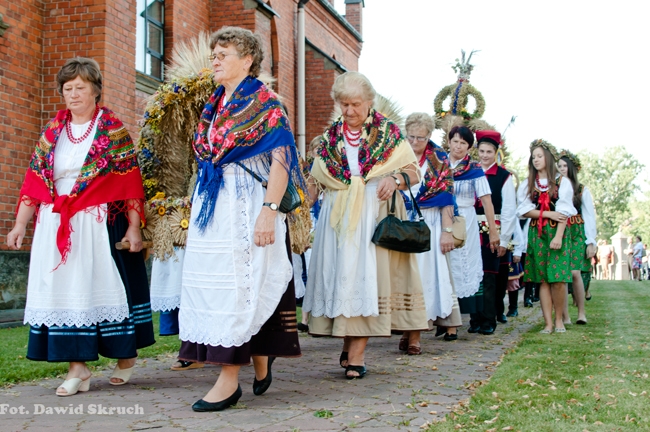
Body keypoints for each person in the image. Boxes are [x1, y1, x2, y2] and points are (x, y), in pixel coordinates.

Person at [6, 57, 155, 396]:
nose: (73, 94)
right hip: (55, 221)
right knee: (64, 293)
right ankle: (78, 368)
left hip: (98, 221)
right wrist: (20, 225)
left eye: (80, 88)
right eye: (67, 88)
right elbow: (34, 180)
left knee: (102, 288)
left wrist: (134, 227)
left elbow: (130, 182)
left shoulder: (112, 129)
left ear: (95, 91)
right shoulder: (52, 132)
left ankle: (124, 356)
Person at [177, 27, 302, 412]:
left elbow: (282, 160)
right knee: (216, 288)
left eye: (223, 54)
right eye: (213, 54)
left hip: (247, 203)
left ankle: (228, 380)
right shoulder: (214, 103)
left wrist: (268, 211)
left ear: (247, 60)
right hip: (214, 205)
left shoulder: (267, 103)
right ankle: (259, 355)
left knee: (239, 286)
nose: (214, 60)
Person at [303, 71, 428, 378]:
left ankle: (357, 355)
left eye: (355, 104)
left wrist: (395, 179)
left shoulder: (388, 133)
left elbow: (413, 172)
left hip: (373, 213)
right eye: (344, 104)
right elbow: (316, 179)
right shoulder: (331, 137)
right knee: (343, 278)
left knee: (366, 280)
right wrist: (301, 204)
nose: (349, 111)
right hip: (337, 217)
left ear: (369, 102)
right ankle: (349, 342)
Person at [398, 113, 457, 351]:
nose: (414, 142)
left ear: (429, 135)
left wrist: (447, 231)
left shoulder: (440, 159)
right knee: (403, 277)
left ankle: (415, 336)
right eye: (410, 136)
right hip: (401, 221)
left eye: (420, 138)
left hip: (429, 223)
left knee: (423, 278)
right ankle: (406, 329)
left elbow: (447, 198)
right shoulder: (397, 153)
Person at [517, 139, 576, 334]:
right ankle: (548, 323)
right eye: (533, 157)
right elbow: (524, 210)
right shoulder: (528, 183)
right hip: (538, 232)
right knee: (542, 279)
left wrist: (558, 237)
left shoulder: (562, 182)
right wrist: (548, 214)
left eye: (540, 156)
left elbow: (564, 212)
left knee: (558, 279)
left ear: (548, 158)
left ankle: (559, 320)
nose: (536, 160)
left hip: (557, 232)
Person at [446, 126, 500, 334]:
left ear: (469, 147)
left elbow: (486, 201)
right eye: (455, 141)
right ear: (449, 142)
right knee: (445, 266)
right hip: (442, 218)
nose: (458, 146)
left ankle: (471, 317)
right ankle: (445, 320)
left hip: (466, 219)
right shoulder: (439, 165)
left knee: (465, 266)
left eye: (463, 143)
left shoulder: (474, 169)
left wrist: (493, 231)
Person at [475, 131, 517, 331]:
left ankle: (488, 320)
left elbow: (509, 209)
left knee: (490, 275)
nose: (485, 155)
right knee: (473, 273)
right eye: (482, 151)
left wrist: (504, 238)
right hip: (471, 229)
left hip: (493, 229)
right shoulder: (471, 171)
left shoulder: (503, 176)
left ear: (496, 153)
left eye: (489, 152)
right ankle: (474, 319)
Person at [558, 150, 596, 325]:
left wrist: (591, 241)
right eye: (559, 166)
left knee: (575, 272)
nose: (562, 169)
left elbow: (589, 215)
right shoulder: (554, 188)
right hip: (559, 229)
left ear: (572, 168)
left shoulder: (581, 190)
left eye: (565, 166)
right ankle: (565, 316)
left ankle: (581, 313)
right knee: (562, 273)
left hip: (576, 231)